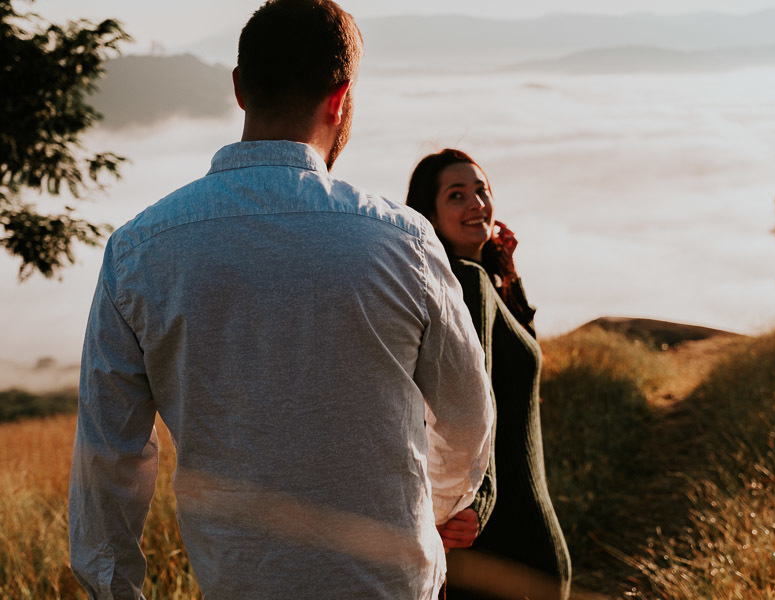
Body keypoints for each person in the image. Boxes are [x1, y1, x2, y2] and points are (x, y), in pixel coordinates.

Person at [68, 2, 493, 599]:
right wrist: (436, 510)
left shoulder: (139, 250)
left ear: (240, 88)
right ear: (340, 97)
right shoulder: (404, 241)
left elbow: (107, 458)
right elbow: (467, 418)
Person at [406, 149, 572, 600]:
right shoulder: (468, 282)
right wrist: (480, 501)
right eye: (456, 195)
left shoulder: (475, 281)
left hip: (504, 545)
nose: (476, 202)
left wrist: (510, 277)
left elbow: (519, 359)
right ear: (431, 215)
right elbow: (473, 405)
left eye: (481, 190)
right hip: (505, 544)